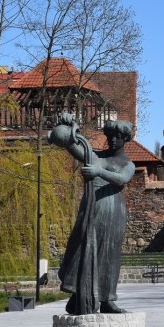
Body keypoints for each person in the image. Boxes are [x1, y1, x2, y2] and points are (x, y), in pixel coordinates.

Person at [49, 113, 135, 315]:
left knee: (109, 255)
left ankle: (107, 299)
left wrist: (99, 173)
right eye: (110, 136)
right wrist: (70, 128)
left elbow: (122, 179)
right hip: (92, 208)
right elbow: (75, 147)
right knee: (81, 247)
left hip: (113, 212)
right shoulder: (98, 156)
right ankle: (78, 292)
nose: (113, 140)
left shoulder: (127, 164)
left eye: (118, 137)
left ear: (125, 140)